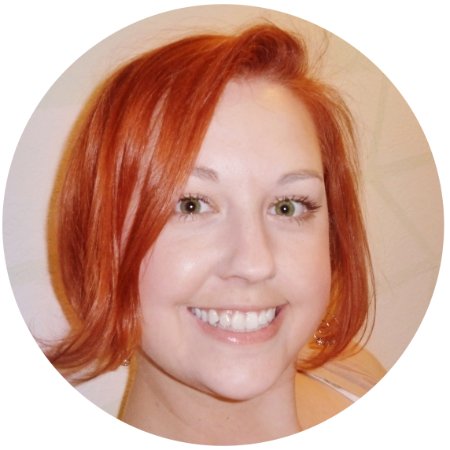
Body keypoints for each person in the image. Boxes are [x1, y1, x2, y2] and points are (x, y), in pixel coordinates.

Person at [46, 23, 386, 445]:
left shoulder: (357, 376)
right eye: (190, 204)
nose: (254, 263)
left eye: (288, 206)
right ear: (102, 244)